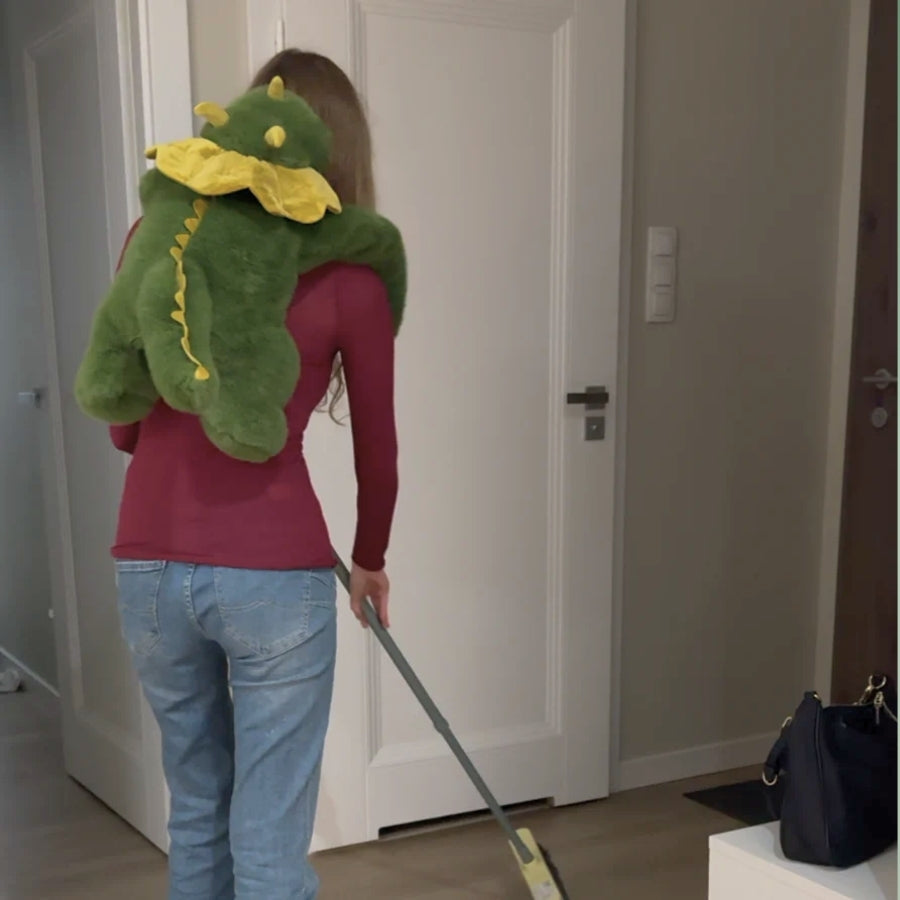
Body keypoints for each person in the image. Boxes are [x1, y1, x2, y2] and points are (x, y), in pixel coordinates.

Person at [109, 49, 398, 899]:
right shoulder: (353, 277)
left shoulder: (159, 236)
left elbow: (124, 421)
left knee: (197, 811)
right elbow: (377, 452)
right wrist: (370, 559)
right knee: (269, 844)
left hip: (148, 567)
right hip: (274, 574)